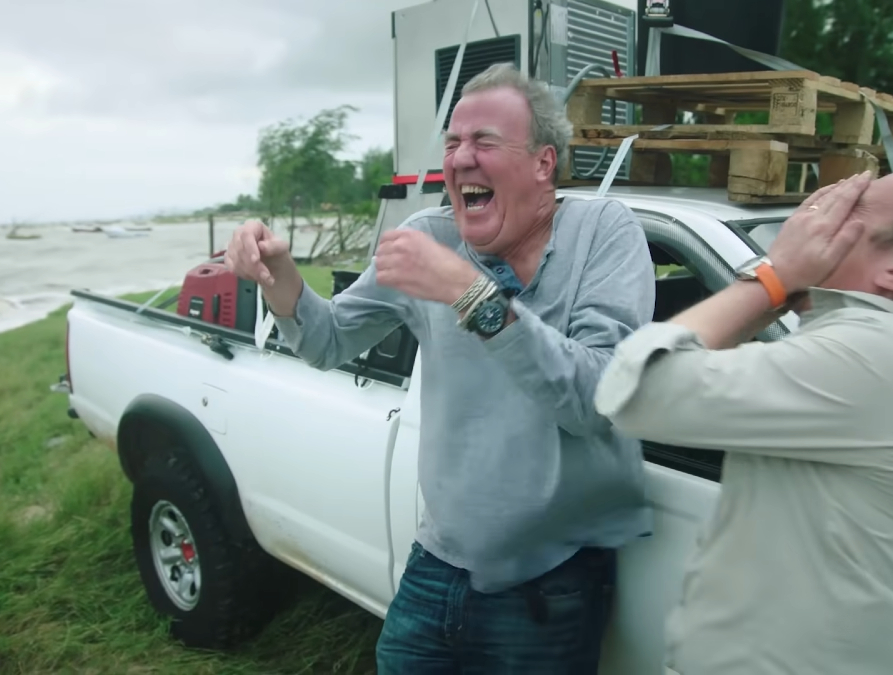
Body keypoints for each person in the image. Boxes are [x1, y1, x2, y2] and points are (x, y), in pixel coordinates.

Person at [224, 62, 657, 673]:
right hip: (436, 566)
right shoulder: (429, 235)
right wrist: (278, 271)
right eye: (453, 143)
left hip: (550, 581)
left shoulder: (604, 233)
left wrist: (471, 295)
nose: (459, 159)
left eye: (484, 142)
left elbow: (597, 399)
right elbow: (328, 341)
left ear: (543, 163)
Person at [593, 155, 893, 675]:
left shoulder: (877, 357)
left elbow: (636, 389)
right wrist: (781, 291)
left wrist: (773, 276)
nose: (825, 211)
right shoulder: (892, 350)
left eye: (857, 208)